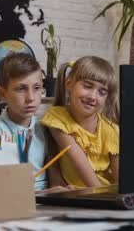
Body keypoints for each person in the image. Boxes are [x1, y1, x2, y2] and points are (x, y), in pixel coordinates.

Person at [41, 56, 120, 188]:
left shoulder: (111, 130)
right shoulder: (57, 117)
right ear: (69, 84)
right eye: (88, 86)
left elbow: (120, 181)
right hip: (88, 193)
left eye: (102, 92)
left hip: (105, 194)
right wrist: (98, 195)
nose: (93, 96)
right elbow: (79, 160)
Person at [0, 53, 49, 191]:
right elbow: (11, 184)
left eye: (37, 88)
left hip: (49, 197)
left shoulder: (44, 126)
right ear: (2, 93)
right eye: (21, 89)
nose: (31, 98)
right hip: (18, 198)